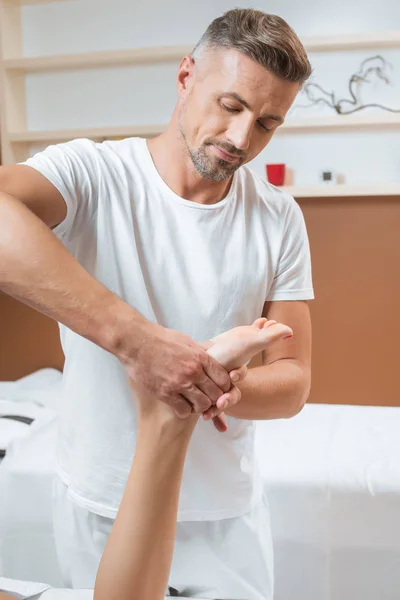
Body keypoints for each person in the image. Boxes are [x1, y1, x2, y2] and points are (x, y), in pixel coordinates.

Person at [0, 8, 313, 599]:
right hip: (101, 504)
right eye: (231, 106)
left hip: (225, 519)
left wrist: (214, 384)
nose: (242, 140)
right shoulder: (93, 174)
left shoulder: (278, 216)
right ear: (186, 76)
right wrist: (138, 342)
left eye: (268, 123)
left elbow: (295, 381)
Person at [0, 318, 293, 600]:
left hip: (225, 502)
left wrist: (207, 381)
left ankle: (166, 419)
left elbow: (294, 379)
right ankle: (167, 420)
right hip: (100, 498)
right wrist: (205, 377)